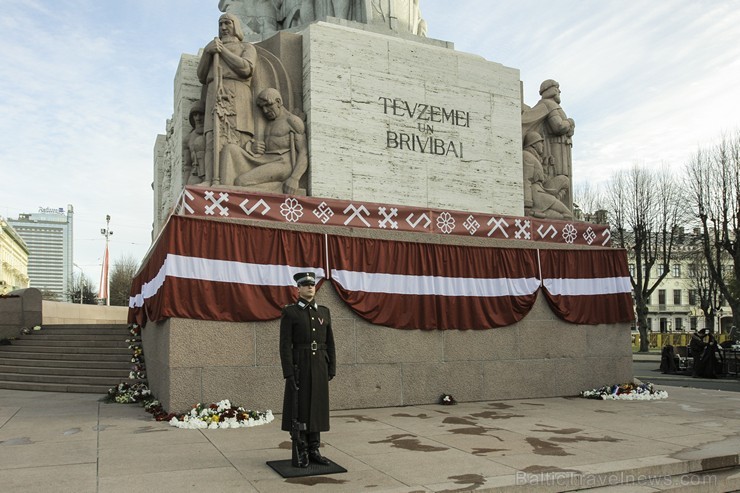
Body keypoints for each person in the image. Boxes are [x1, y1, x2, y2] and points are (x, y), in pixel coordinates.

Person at [280, 271, 336, 467]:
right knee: (302, 407)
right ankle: (301, 449)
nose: (310, 287)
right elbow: (285, 345)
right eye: (305, 285)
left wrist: (332, 367)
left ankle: (314, 449)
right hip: (300, 365)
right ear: (298, 289)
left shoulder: (324, 312)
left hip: (320, 363)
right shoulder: (291, 312)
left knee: (317, 408)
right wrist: (288, 372)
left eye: (312, 284)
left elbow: (330, 342)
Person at [196, 13, 258, 186]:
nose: (223, 28)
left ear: (235, 26)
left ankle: (234, 178)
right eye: (220, 24)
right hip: (214, 91)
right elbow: (201, 75)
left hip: (237, 93)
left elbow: (246, 68)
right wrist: (208, 53)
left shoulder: (246, 47)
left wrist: (223, 51)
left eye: (227, 23)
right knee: (211, 137)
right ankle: (209, 178)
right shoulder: (212, 49)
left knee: (236, 136)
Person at [219, 88, 308, 194]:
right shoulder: (270, 123)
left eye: (268, 105)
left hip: (282, 163)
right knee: (230, 149)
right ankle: (222, 187)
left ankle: (279, 187)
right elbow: (264, 147)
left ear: (278, 102)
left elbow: (304, 152)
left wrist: (294, 178)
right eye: (262, 107)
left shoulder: (292, 121)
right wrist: (252, 147)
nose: (265, 110)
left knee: (240, 181)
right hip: (264, 159)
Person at [522, 131, 572, 219]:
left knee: (565, 181)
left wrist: (546, 165)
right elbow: (526, 180)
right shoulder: (527, 156)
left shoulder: (534, 157)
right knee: (567, 216)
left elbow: (542, 178)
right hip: (537, 195)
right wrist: (527, 204)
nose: (543, 146)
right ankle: (535, 213)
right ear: (533, 144)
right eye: (540, 143)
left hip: (542, 191)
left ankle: (543, 210)